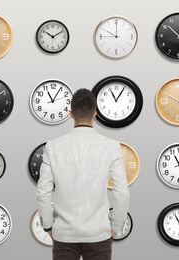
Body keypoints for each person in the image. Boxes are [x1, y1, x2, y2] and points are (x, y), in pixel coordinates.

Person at [36, 88, 130, 260]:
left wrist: (48, 225)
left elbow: (43, 191)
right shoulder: (111, 146)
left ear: (70, 114)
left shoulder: (53, 146)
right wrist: (115, 226)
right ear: (95, 115)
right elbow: (122, 192)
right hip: (98, 233)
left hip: (64, 233)